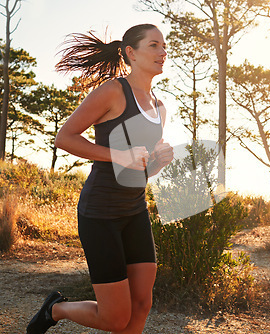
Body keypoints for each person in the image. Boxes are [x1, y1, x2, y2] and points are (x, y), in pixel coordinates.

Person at [26, 24, 174, 334]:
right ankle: (56, 309)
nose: (163, 52)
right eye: (154, 45)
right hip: (100, 213)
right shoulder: (113, 91)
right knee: (115, 318)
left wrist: (159, 161)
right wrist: (119, 155)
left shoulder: (159, 108)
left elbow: (142, 169)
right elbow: (64, 138)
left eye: (164, 45)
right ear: (131, 53)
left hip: (135, 210)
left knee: (142, 304)